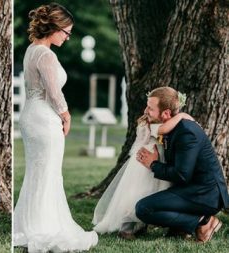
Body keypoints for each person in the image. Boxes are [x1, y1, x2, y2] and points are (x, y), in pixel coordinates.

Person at [13, 3, 98, 252]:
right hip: (44, 118)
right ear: (54, 27)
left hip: (31, 115)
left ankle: (33, 223)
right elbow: (53, 91)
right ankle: (44, 226)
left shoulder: (31, 50)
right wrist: (66, 114)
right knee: (48, 172)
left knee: (39, 172)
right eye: (66, 32)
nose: (68, 37)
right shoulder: (46, 55)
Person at [135, 87, 229, 242]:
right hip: (191, 189)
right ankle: (182, 226)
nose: (145, 111)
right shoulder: (172, 126)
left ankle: (204, 222)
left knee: (143, 208)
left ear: (165, 114)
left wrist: (153, 164)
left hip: (205, 194)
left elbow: (181, 175)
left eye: (150, 108)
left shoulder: (186, 132)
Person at [93, 111, 194, 239]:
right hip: (147, 161)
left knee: (150, 192)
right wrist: (181, 116)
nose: (147, 110)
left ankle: (141, 225)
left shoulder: (150, 123)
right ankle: (126, 229)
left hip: (149, 159)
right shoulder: (151, 125)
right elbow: (164, 129)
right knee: (139, 192)